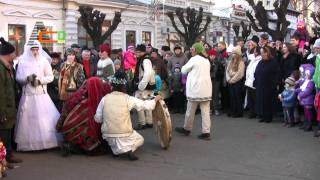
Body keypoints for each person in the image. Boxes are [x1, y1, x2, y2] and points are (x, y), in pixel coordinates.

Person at [95, 71, 162, 161]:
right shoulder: (128, 98)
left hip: (108, 134)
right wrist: (156, 99)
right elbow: (146, 105)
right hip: (124, 133)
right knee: (140, 139)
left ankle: (116, 150)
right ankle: (126, 149)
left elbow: (98, 118)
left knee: (114, 140)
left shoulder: (105, 98)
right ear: (124, 86)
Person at [15, 41, 61, 151]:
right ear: (29, 50)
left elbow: (50, 77)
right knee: (28, 120)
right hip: (28, 96)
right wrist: (27, 79)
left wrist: (40, 81)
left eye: (36, 49)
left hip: (41, 95)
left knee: (44, 119)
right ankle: (27, 145)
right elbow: (18, 78)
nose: (35, 51)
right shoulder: (22, 62)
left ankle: (47, 143)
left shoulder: (44, 61)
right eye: (32, 49)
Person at [57, 77, 111, 155]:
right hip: (80, 133)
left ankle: (71, 145)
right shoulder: (97, 101)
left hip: (68, 131)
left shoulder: (79, 96)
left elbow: (67, 107)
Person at [175, 43, 212, 140]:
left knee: (190, 110)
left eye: (192, 49)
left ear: (195, 50)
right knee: (205, 112)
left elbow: (183, 70)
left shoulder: (194, 59)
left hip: (195, 89)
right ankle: (206, 132)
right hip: (206, 89)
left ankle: (187, 128)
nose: (191, 51)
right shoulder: (206, 60)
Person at [0, 37, 22, 165]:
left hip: (8, 108)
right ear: (8, 54)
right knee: (3, 134)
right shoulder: (1, 69)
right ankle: (3, 161)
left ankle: (8, 156)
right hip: (4, 109)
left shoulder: (7, 67)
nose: (15, 55)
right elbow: (1, 93)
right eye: (14, 52)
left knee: (7, 132)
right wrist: (2, 112)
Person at [133, 44, 156, 130]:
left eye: (138, 52)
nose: (137, 53)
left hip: (144, 86)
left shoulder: (145, 60)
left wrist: (141, 85)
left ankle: (142, 123)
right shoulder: (144, 59)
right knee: (147, 103)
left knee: (140, 104)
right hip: (148, 85)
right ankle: (149, 122)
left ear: (143, 52)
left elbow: (148, 73)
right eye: (136, 51)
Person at [254, 47, 279, 123]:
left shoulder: (273, 62)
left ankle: (268, 117)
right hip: (260, 85)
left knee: (268, 102)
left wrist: (274, 84)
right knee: (261, 101)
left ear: (267, 53)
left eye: (264, 53)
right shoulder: (260, 62)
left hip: (269, 85)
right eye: (261, 53)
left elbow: (276, 74)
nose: (262, 55)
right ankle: (263, 115)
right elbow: (256, 72)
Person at [226, 46, 245, 118]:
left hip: (237, 82)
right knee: (232, 97)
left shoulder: (241, 62)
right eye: (232, 53)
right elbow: (227, 71)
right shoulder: (231, 61)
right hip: (231, 81)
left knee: (238, 97)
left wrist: (232, 79)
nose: (233, 54)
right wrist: (228, 79)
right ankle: (233, 110)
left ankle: (238, 112)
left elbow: (240, 73)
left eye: (235, 53)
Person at [296, 64, 315, 131]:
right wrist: (296, 90)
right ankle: (306, 123)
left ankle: (309, 125)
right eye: (306, 74)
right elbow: (301, 88)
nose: (306, 75)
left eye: (308, 74)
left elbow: (307, 91)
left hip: (308, 100)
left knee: (308, 113)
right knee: (305, 113)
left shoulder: (311, 82)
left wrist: (300, 95)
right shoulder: (306, 81)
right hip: (305, 100)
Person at [245, 46, 261, 119]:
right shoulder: (252, 59)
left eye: (255, 51)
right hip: (249, 81)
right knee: (250, 99)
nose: (254, 52)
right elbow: (249, 70)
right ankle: (252, 112)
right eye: (254, 51)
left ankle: (257, 112)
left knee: (255, 99)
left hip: (254, 81)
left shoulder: (259, 60)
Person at [214, 41, 228, 115]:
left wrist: (218, 62)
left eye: (220, 46)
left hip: (224, 75)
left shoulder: (226, 53)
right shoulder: (218, 53)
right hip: (219, 75)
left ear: (224, 46)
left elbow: (225, 63)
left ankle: (225, 107)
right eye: (218, 46)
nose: (218, 47)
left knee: (224, 92)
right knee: (218, 91)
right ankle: (222, 107)